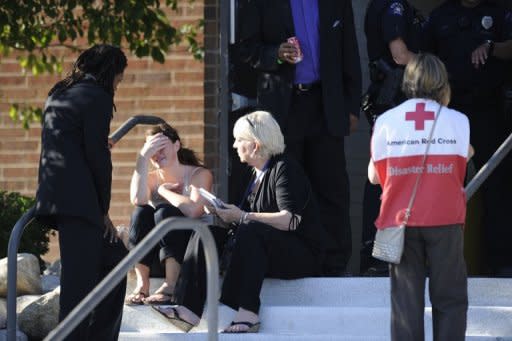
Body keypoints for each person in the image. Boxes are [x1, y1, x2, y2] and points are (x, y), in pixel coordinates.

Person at [151, 111, 330, 333]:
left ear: (255, 145)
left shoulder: (284, 168)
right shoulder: (251, 175)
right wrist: (221, 212)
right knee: (206, 234)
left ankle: (249, 313)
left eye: (239, 140)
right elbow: (242, 220)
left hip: (300, 254)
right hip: (263, 249)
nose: (234, 145)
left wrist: (243, 216)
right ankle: (188, 310)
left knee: (251, 229)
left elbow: (289, 221)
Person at [237, 0, 362, 275]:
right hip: (285, 107)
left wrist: (352, 106)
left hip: (325, 104)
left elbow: (349, 50)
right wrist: (276, 54)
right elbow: (246, 50)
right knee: (287, 187)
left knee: (332, 187)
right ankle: (292, 262)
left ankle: (334, 265)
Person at [369, 53, 473, 340]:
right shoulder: (459, 121)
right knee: (450, 298)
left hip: (400, 220)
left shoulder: (387, 121)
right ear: (442, 82)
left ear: (408, 81)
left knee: (406, 302)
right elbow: (462, 165)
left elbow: (375, 177)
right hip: (445, 219)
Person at [34, 44, 127, 341]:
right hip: (80, 202)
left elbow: (71, 142)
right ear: (110, 71)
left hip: (58, 196)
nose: (117, 85)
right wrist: (103, 211)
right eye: (119, 78)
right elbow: (97, 158)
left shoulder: (59, 92)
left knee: (115, 259)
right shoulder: (96, 97)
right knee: (78, 286)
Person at [423, 0, 512, 276]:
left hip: (489, 113)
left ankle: (500, 263)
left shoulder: (500, 12)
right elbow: (423, 62)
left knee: (497, 187)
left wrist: (492, 47)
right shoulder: (440, 17)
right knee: (446, 187)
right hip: (450, 114)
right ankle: (442, 263)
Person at [360, 0, 423, 276]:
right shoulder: (393, 6)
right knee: (388, 178)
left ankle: (377, 255)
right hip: (394, 98)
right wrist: (432, 66)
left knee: (385, 175)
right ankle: (380, 256)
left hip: (390, 101)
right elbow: (399, 55)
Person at [125, 123, 214, 305]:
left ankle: (171, 284)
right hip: (156, 258)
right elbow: (138, 199)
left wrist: (165, 192)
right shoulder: (150, 177)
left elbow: (194, 210)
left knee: (165, 211)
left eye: (161, 147)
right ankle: (142, 285)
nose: (156, 154)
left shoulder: (199, 174)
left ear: (176, 145)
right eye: (152, 150)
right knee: (142, 212)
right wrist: (142, 158)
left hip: (189, 255)